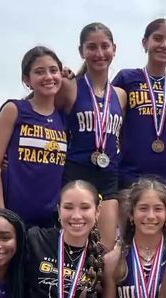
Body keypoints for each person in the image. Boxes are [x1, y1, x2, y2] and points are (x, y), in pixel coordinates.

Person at [111, 18, 166, 226]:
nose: (164, 45)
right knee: (129, 241)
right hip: (131, 172)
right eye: (158, 38)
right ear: (145, 42)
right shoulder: (126, 78)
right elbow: (107, 115)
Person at [57, 23, 127, 252]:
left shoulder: (120, 95)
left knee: (106, 250)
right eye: (92, 47)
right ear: (81, 51)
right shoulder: (70, 86)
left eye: (104, 46)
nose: (99, 53)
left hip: (108, 176)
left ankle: (103, 289)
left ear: (114, 49)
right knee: (73, 246)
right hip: (76, 172)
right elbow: (40, 109)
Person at [0, 46, 67, 229]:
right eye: (39, 72)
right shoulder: (14, 110)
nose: (48, 76)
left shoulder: (64, 118)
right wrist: (0, 215)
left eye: (53, 70)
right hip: (12, 218)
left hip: (48, 223)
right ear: (26, 80)